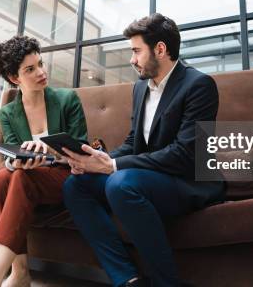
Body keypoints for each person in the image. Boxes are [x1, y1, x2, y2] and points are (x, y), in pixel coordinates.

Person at [62, 14, 225, 287]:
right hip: (147, 177)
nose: (132, 59)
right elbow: (134, 141)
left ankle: (167, 282)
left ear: (160, 49)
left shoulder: (199, 85)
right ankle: (128, 279)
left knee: (120, 183)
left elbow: (185, 154)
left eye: (136, 51)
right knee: (75, 185)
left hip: (188, 180)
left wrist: (112, 167)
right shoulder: (140, 88)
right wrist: (99, 159)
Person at [0, 35, 88, 287]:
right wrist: (14, 163)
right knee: (2, 178)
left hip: (66, 175)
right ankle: (20, 273)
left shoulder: (67, 99)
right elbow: (11, 152)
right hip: (28, 176)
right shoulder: (7, 112)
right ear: (14, 78)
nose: (41, 72)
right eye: (30, 69)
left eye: (40, 64)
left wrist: (50, 150)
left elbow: (81, 150)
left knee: (16, 177)